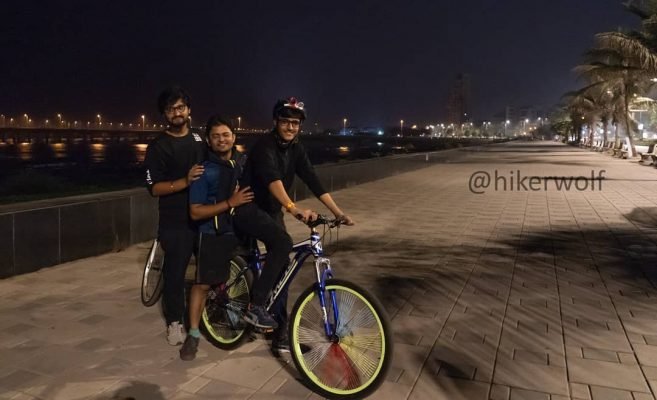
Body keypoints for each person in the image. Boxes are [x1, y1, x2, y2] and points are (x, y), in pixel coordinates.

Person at [243, 97, 355, 355]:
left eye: (295, 123)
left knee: (282, 270)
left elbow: (313, 181)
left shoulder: (296, 148)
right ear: (276, 122)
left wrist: (338, 213)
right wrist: (294, 209)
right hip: (248, 207)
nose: (291, 127)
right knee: (282, 244)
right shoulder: (264, 145)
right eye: (286, 122)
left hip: (271, 210)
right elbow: (273, 180)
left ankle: (281, 333)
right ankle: (255, 306)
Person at [181, 115, 288, 360]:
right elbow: (195, 211)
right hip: (213, 233)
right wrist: (230, 202)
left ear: (234, 137)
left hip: (241, 231)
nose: (222, 139)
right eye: (216, 136)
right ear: (208, 140)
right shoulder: (203, 171)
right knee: (203, 284)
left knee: (248, 277)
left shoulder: (242, 163)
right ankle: (194, 333)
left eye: (226, 134)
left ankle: (251, 317)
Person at [144, 86, 206, 346]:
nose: (176, 113)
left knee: (207, 272)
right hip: (174, 220)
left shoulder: (199, 140)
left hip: (203, 216)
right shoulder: (158, 146)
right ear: (165, 115)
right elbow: (154, 188)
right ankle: (174, 322)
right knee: (175, 274)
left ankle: (203, 316)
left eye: (181, 107)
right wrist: (185, 180)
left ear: (189, 110)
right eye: (171, 109)